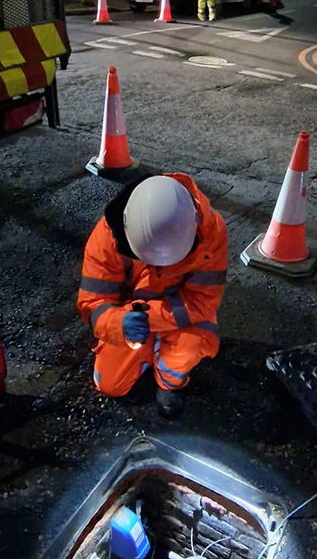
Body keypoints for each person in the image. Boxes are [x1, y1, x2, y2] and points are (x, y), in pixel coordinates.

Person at [76, 174, 228, 419]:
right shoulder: (106, 239)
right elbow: (92, 303)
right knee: (110, 384)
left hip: (174, 315)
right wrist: (117, 323)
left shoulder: (211, 232)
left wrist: (149, 318)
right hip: (129, 316)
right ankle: (152, 349)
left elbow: (202, 300)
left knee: (190, 347)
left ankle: (169, 383)